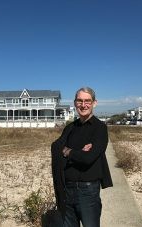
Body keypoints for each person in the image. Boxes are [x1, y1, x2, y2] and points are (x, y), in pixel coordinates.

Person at [51, 87, 113, 227]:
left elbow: (88, 158)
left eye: (87, 101)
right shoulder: (70, 128)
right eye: (79, 101)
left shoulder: (100, 128)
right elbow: (55, 148)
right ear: (75, 103)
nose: (83, 105)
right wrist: (78, 152)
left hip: (88, 191)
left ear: (94, 103)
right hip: (66, 189)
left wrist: (67, 151)